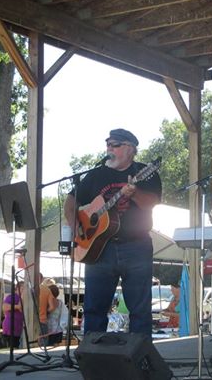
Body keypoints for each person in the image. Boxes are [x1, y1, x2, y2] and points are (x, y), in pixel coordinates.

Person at [64, 128, 162, 336]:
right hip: (100, 249)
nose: (109, 148)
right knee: (94, 309)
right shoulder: (97, 174)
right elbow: (71, 201)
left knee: (139, 310)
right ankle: (92, 360)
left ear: (130, 150)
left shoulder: (146, 172)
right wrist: (77, 227)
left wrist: (134, 193)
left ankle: (140, 360)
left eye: (115, 145)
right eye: (108, 144)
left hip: (136, 247)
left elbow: (151, 203)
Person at [2, 281, 25, 348]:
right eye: (24, 287)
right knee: (14, 348)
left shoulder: (24, 298)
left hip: (19, 327)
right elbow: (4, 307)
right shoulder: (11, 297)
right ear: (18, 288)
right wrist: (17, 306)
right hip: (11, 327)